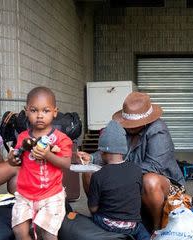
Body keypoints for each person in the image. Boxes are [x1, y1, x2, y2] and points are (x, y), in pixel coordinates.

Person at [79, 92, 184, 231]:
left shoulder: (158, 130)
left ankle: (156, 229)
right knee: (89, 173)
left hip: (163, 184)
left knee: (149, 181)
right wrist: (91, 158)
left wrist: (119, 172)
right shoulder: (125, 129)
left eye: (135, 123)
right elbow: (112, 151)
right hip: (129, 176)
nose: (131, 126)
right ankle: (103, 221)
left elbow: (154, 166)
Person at [8, 87, 72, 240]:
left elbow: (66, 164)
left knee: (48, 232)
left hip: (51, 194)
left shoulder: (61, 139)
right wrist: (12, 159)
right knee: (19, 228)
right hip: (25, 193)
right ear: (26, 111)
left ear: (55, 111)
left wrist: (47, 155)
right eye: (34, 110)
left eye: (45, 110)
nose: (39, 115)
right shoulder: (22, 137)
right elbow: (17, 160)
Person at [87, 120, 150, 240]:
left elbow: (93, 208)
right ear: (123, 151)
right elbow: (139, 195)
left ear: (102, 152)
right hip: (132, 225)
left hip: (108, 223)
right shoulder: (136, 170)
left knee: (94, 216)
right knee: (141, 230)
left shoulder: (98, 176)